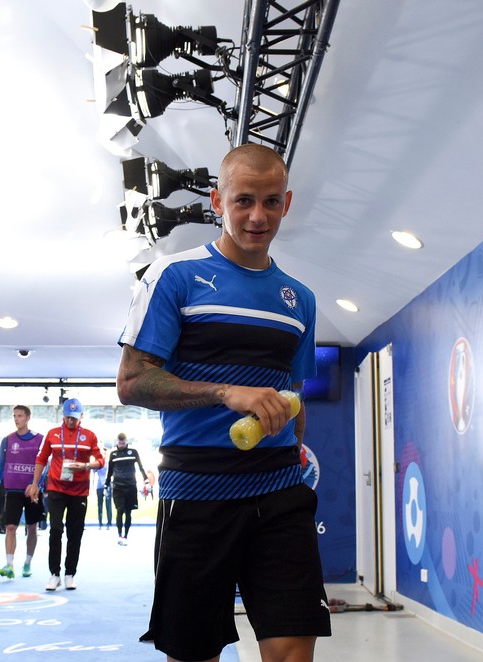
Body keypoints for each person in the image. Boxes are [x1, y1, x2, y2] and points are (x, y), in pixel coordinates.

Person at [117, 143, 330, 662]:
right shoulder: (174, 277)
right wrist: (222, 393)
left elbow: (293, 395)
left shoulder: (299, 300)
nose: (258, 216)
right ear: (217, 200)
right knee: (193, 653)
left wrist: (292, 442)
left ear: (287, 203)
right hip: (197, 493)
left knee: (292, 650)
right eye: (244, 201)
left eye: (272, 202)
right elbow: (131, 383)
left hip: (280, 489)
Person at [26, 398, 104, 592]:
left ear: (81, 417)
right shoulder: (53, 434)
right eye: (68, 417)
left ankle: (70, 574)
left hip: (79, 491)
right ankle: (54, 574)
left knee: (74, 533)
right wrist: (35, 484)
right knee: (56, 529)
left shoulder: (89, 436)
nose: (71, 421)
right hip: (56, 489)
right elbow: (41, 458)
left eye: (75, 418)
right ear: (63, 416)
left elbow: (101, 460)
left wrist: (86, 465)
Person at [0, 405, 45, 579]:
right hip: (12, 490)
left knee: (32, 528)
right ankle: (9, 564)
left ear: (28, 418)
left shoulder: (40, 440)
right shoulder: (7, 440)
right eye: (14, 416)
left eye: (20, 416)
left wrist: (37, 485)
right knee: (10, 527)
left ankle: (27, 563)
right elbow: (0, 465)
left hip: (32, 492)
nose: (16, 419)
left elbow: (45, 465)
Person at [105, 432, 149, 546]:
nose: (121, 444)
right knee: (120, 510)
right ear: (117, 442)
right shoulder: (113, 454)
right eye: (120, 443)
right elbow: (109, 471)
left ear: (127, 441)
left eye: (123, 442)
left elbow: (141, 467)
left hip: (131, 486)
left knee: (128, 512)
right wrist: (106, 485)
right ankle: (120, 535)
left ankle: (126, 535)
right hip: (118, 486)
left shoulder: (133, 452)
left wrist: (146, 480)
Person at [92, 443, 112, 529]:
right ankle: (100, 523)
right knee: (100, 505)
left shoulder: (109, 463)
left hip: (108, 485)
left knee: (108, 505)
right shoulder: (98, 463)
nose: (104, 454)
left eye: (105, 453)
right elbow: (93, 474)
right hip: (99, 486)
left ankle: (109, 523)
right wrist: (92, 485)